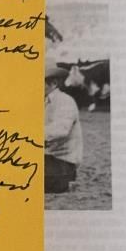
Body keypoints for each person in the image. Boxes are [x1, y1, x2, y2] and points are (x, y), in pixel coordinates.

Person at [45, 64, 83, 193]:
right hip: (50, 160)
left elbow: (61, 130)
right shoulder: (45, 101)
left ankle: (66, 185)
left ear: (53, 83)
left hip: (62, 164)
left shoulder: (65, 101)